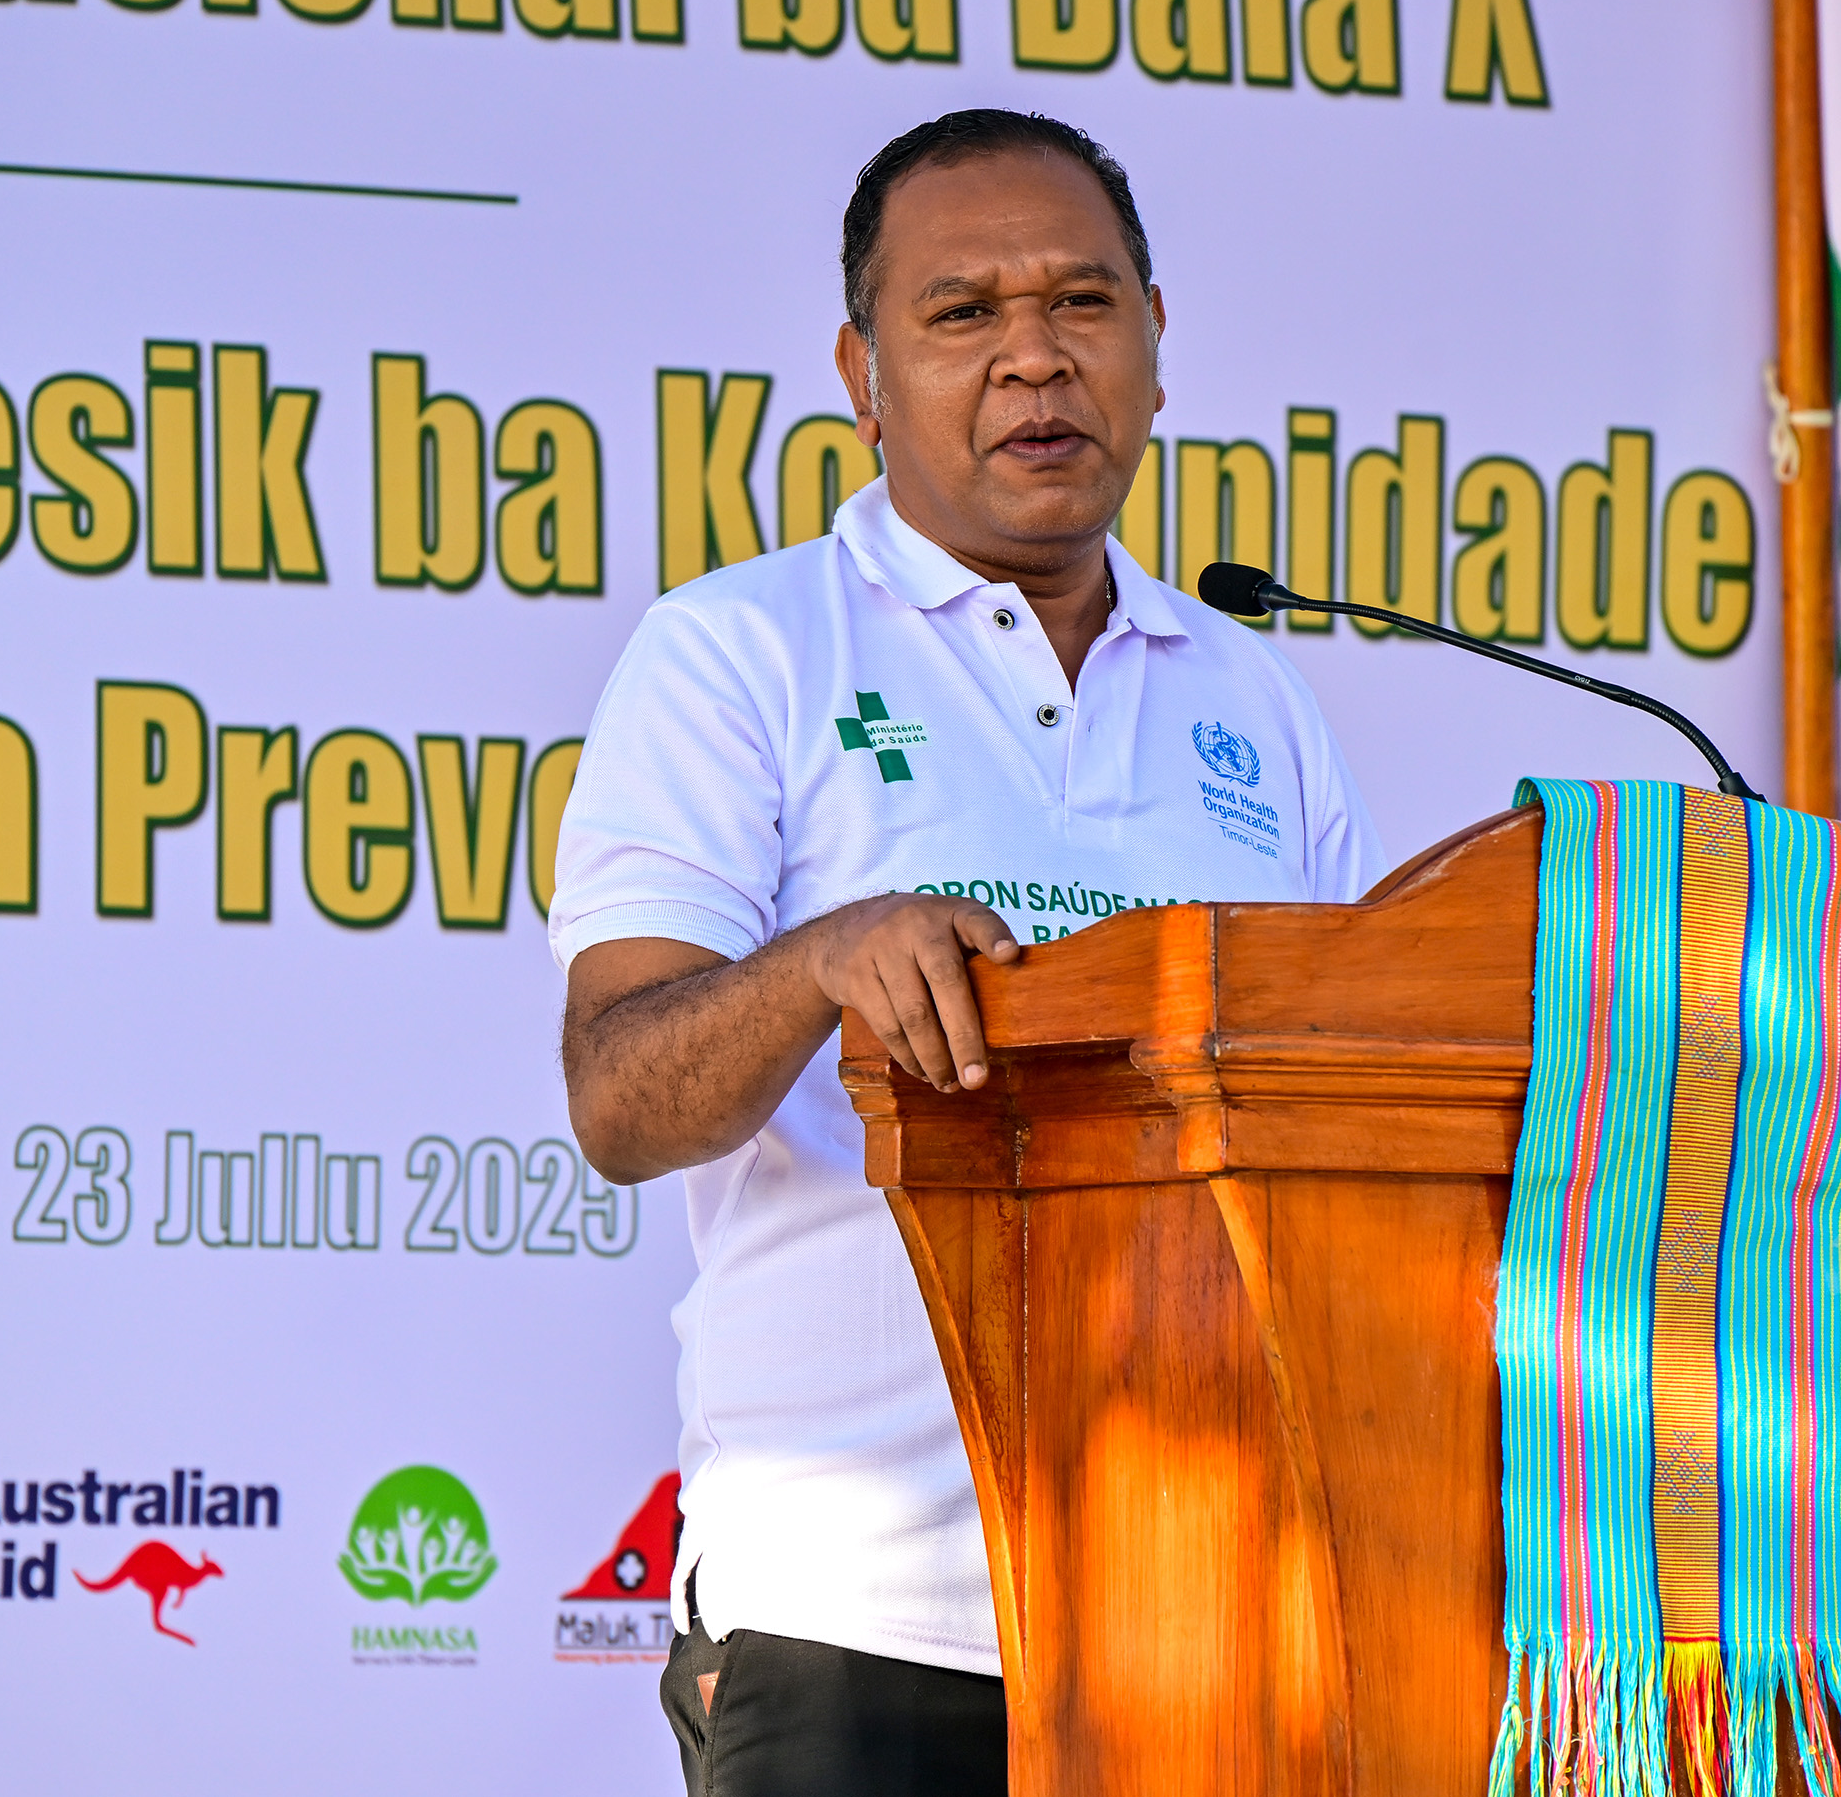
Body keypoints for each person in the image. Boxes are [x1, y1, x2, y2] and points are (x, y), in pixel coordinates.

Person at [550, 109, 1382, 1796]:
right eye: (962, 315)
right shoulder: (739, 652)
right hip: (858, 1619)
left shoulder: (1255, 702)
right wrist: (818, 964)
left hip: (1208, 1610)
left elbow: (1352, 1118)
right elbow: (620, 1100)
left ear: (1155, 346)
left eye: (1081, 305)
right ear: (862, 372)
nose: (1032, 360)